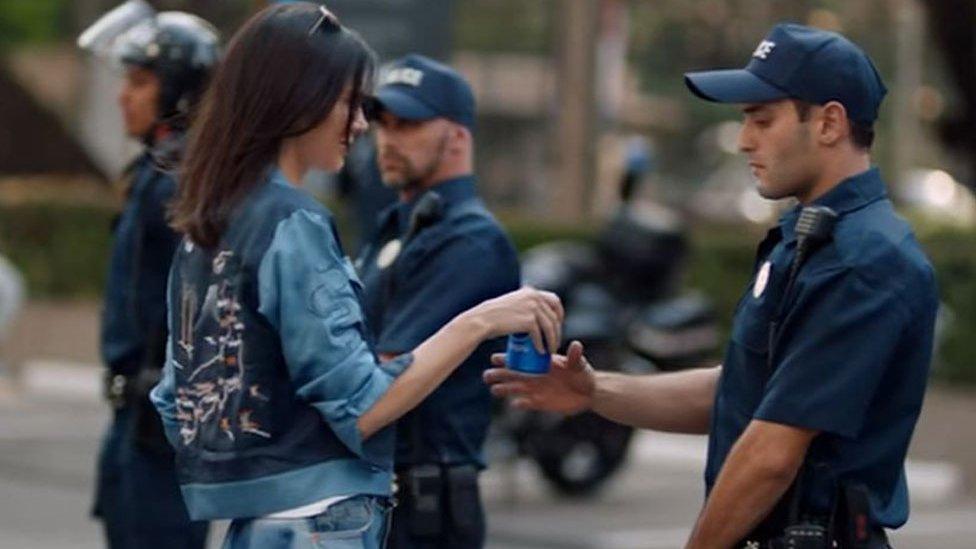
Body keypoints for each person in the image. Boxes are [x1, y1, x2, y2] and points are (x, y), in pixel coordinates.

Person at [486, 23, 938, 549]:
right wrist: (594, 392)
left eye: (762, 120)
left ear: (830, 123)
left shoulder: (863, 262)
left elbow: (772, 452)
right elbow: (740, 392)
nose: (745, 139)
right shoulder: (810, 239)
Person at [149, 4, 561, 548]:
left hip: (256, 524)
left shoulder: (211, 218)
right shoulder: (293, 222)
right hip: (321, 523)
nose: (364, 127)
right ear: (302, 101)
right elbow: (364, 403)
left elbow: (176, 401)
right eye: (351, 103)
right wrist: (482, 321)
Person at [357, 54, 520, 549]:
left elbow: (381, 373)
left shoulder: (469, 239)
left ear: (458, 137)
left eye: (407, 124)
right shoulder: (401, 225)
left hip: (423, 506)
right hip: (383, 492)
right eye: (382, 123)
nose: (387, 138)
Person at [78, 3, 219, 547]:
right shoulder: (153, 170)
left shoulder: (181, 180)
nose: (123, 95)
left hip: (162, 426)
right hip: (132, 417)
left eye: (139, 81)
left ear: (180, 91)